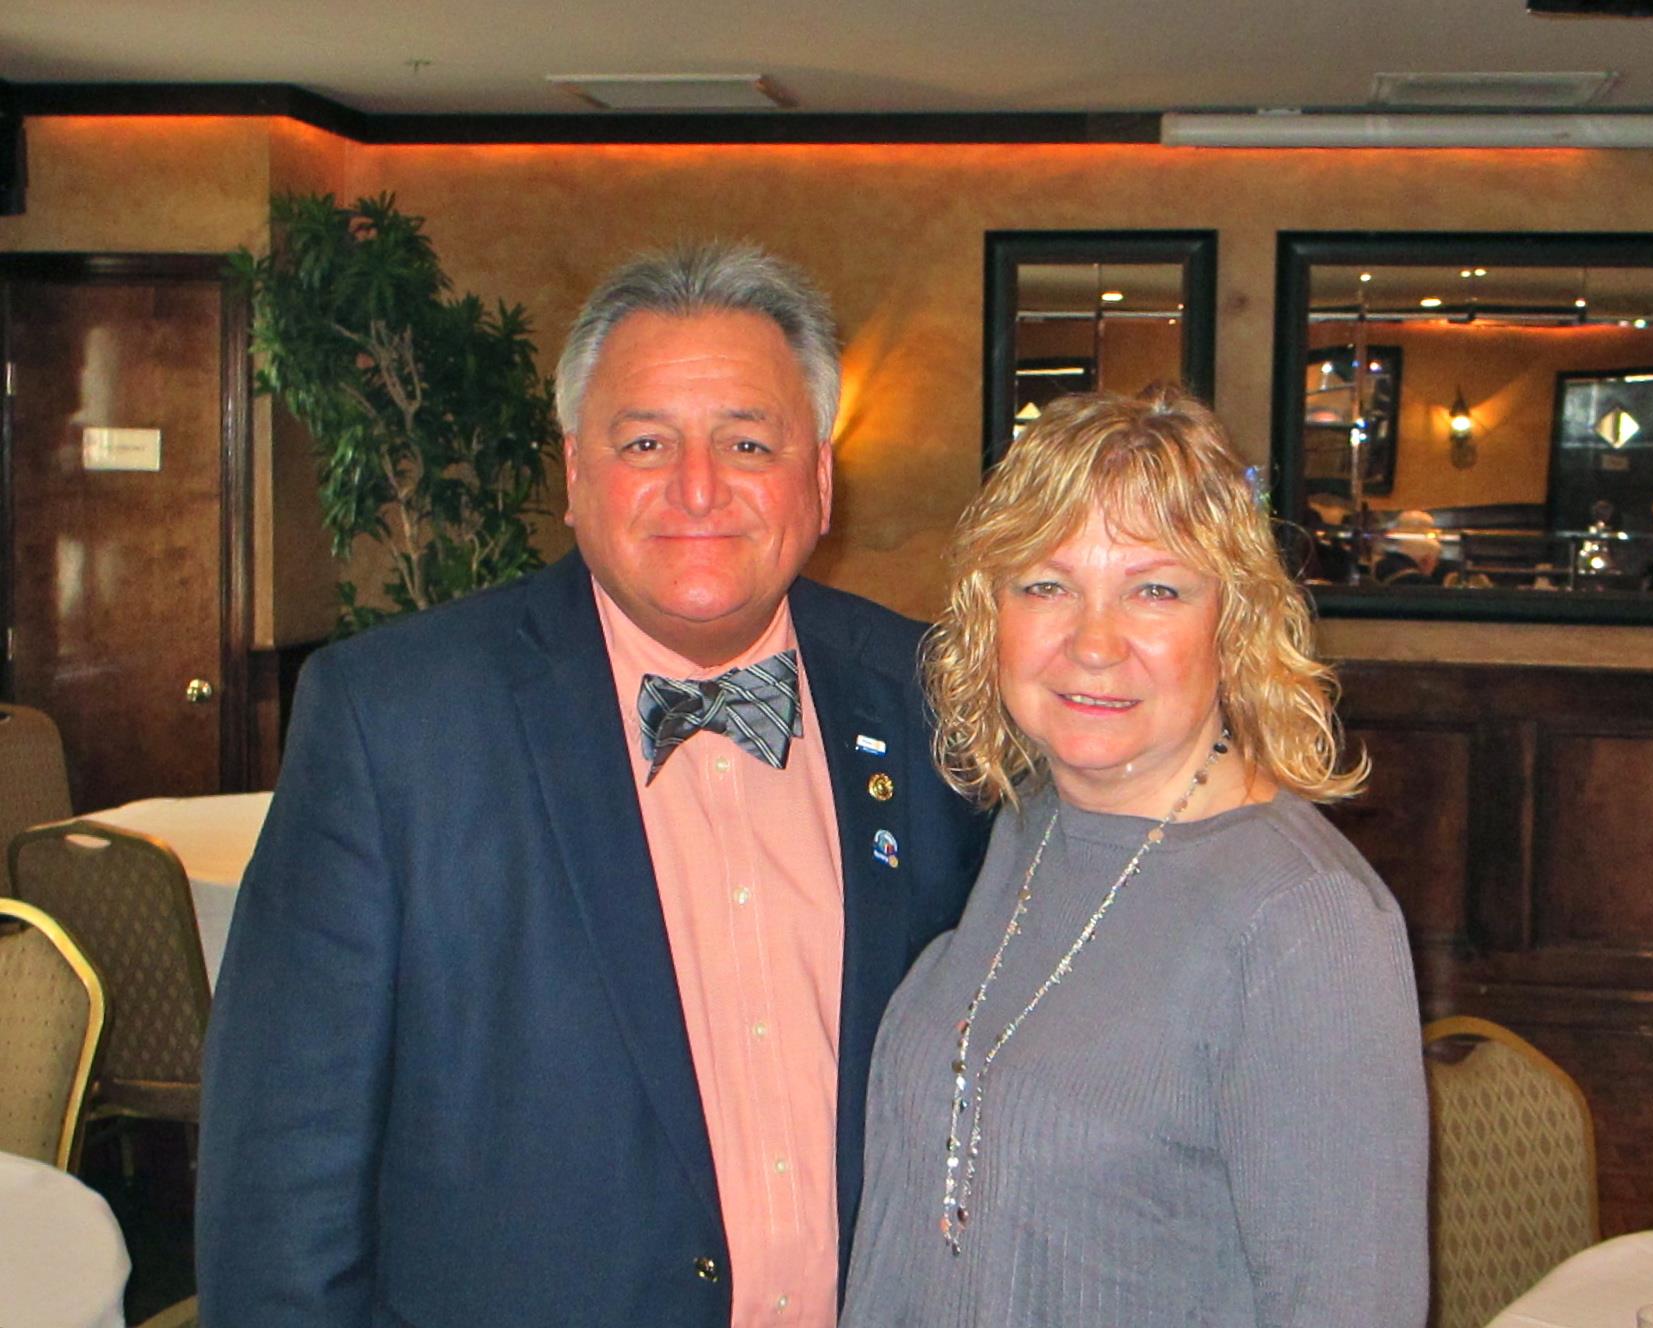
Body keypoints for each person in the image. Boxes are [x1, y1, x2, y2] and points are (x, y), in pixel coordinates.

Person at [197, 241, 990, 1328]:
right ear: (574, 475)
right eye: (646, 442)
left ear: (817, 481)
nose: (697, 488)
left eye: (747, 442)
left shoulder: (932, 698)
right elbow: (282, 1173)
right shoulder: (397, 721)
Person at [841, 391, 1428, 1327]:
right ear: (989, 615)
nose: (1093, 642)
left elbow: (1351, 1303)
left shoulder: (1305, 920)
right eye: (1045, 585)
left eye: (1154, 589)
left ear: (1232, 624)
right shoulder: (1029, 825)